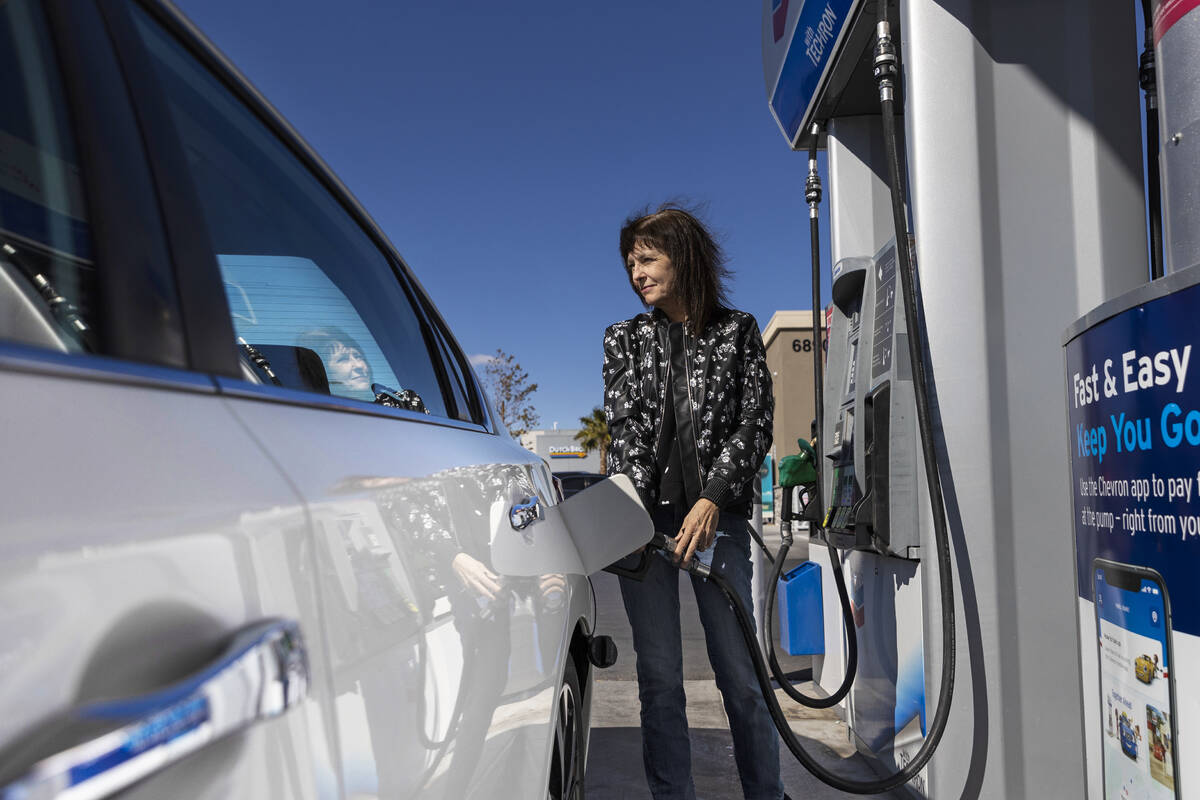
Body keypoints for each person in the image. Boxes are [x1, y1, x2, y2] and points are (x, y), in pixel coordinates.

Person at [603, 205, 785, 800]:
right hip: (646, 529)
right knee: (658, 679)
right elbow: (623, 428)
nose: (637, 272)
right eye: (631, 262)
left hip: (718, 523)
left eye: (648, 259)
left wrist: (710, 499)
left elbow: (755, 424)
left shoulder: (737, 333)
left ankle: (765, 793)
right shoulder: (624, 339)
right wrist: (630, 511)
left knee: (739, 676)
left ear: (683, 259)